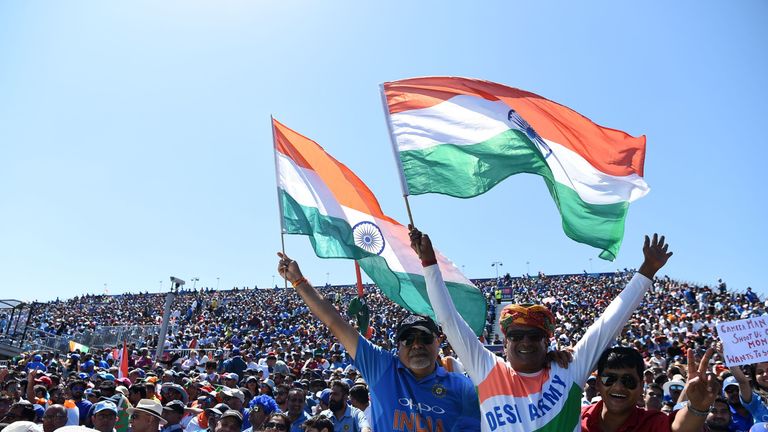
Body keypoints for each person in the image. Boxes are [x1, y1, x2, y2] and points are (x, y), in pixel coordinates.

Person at [410, 228, 674, 431]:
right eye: (516, 335)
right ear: (505, 342)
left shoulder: (569, 368)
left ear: (547, 341)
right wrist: (429, 264)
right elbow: (448, 319)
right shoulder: (487, 368)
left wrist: (646, 271)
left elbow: (608, 324)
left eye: (535, 335)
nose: (526, 341)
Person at [277, 253, 481, 432]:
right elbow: (335, 323)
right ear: (398, 346)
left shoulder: (462, 388)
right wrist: (298, 281)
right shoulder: (382, 367)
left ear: (438, 342)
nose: (416, 345)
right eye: (408, 340)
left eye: (425, 338)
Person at [581, 346, 718, 431]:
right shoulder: (575, 418)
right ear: (598, 383)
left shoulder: (652, 423)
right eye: (609, 379)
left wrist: (698, 408)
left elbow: (679, 428)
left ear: (641, 387)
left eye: (628, 381)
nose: (618, 387)